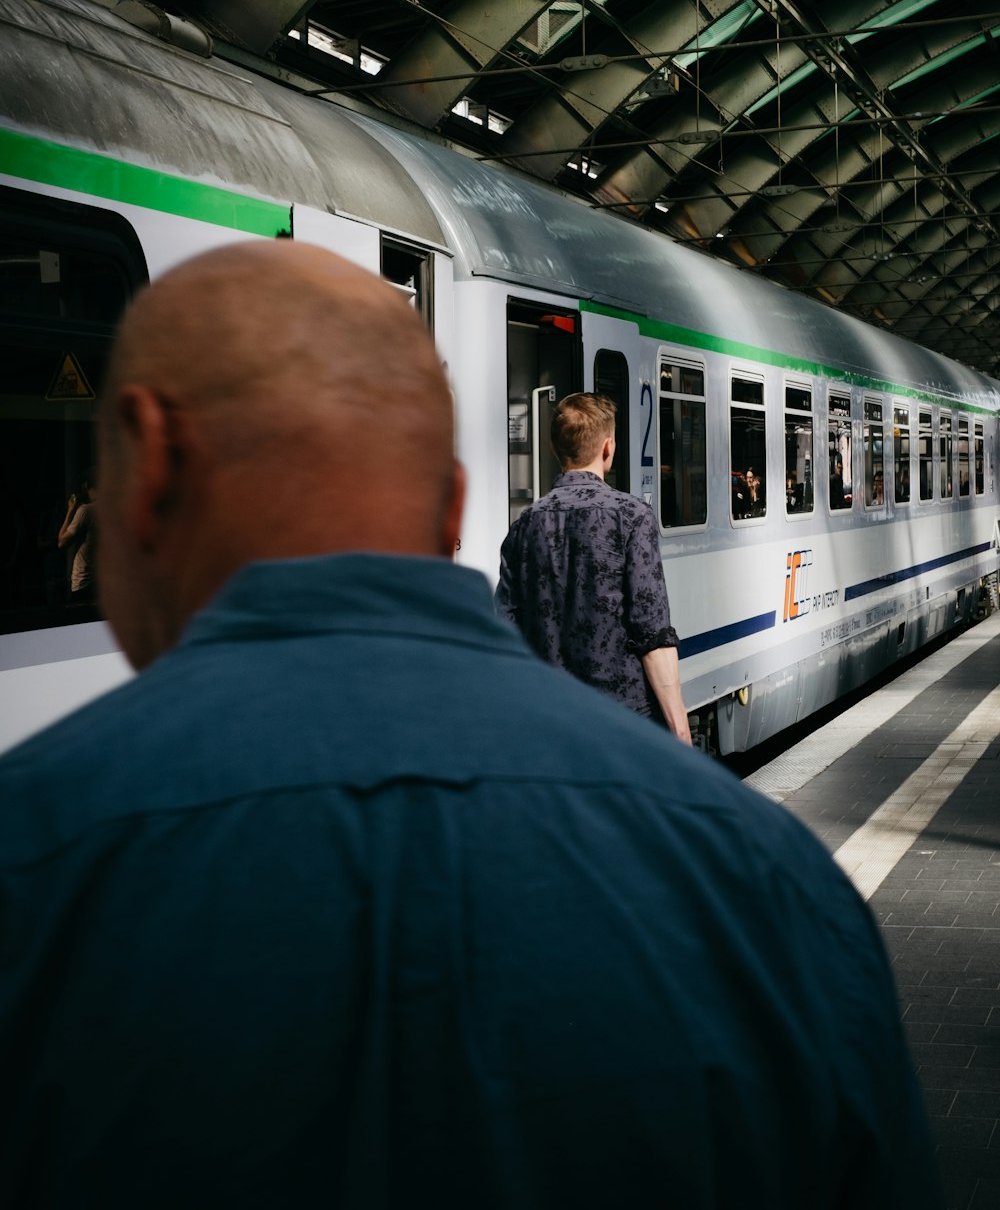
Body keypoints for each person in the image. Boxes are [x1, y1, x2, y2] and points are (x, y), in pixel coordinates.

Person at [0, 242, 940, 1210]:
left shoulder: (33, 863)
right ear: (450, 509)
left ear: (146, 465)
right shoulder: (765, 886)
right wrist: (674, 739)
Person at [495, 393, 692, 742]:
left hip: (550, 723)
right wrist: (679, 729)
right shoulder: (631, 518)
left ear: (556, 449)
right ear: (607, 448)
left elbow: (506, 629)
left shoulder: (524, 526)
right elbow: (651, 634)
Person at [57, 474, 97, 601]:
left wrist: (70, 511)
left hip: (85, 582)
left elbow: (62, 542)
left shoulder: (85, 510)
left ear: (85, 485)